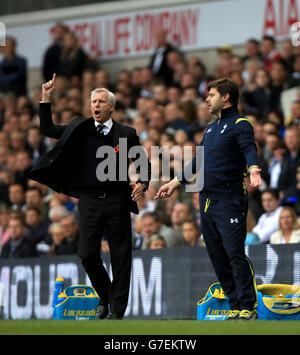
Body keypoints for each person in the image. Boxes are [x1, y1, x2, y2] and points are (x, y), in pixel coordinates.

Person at [28, 73, 151, 320]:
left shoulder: (126, 133)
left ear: (112, 107)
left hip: (117, 199)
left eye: (101, 101)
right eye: (93, 101)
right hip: (89, 201)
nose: (95, 105)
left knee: (121, 256)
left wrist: (143, 182)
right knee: (87, 254)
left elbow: (142, 161)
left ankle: (117, 311)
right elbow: (48, 128)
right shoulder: (79, 128)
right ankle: (105, 296)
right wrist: (46, 98)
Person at [155, 78, 262, 320]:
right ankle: (236, 307)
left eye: (211, 94)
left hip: (230, 198)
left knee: (234, 252)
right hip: (207, 200)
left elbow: (248, 148)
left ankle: (248, 306)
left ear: (225, 97)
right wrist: (175, 182)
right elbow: (198, 161)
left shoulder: (240, 123)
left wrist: (253, 167)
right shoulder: (211, 129)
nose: (206, 99)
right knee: (217, 255)